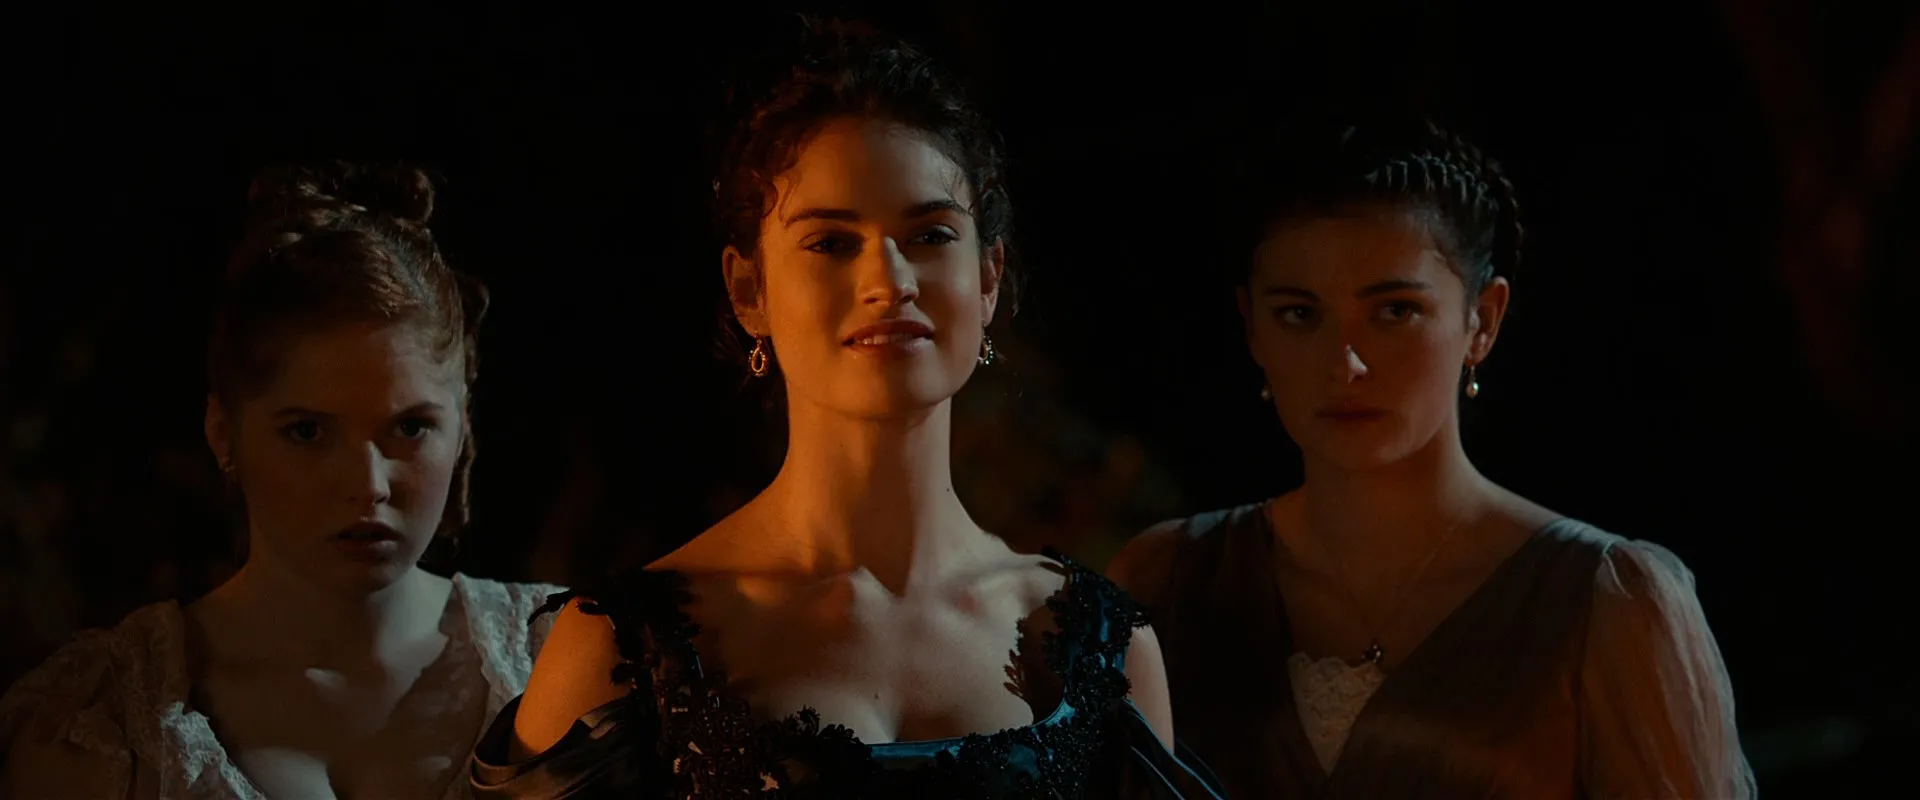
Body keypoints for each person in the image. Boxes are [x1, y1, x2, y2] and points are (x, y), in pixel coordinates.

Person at [468, 17, 1224, 799]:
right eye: (831, 243)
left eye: (930, 235)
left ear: (988, 279)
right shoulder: (620, 656)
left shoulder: (1102, 648)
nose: (890, 280)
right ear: (749, 290)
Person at [1107, 119, 1757, 798]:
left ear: (1483, 320)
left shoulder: (1604, 604)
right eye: (1300, 314)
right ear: (1252, 328)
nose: (1346, 364)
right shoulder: (1169, 579)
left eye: (1395, 312)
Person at [0, 162, 565, 799]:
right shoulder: (97, 729)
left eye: (410, 428)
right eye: (307, 431)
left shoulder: (564, 661)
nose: (369, 484)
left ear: (461, 424)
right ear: (224, 432)